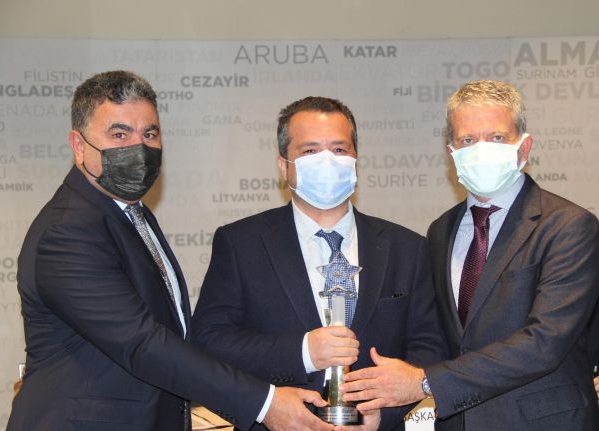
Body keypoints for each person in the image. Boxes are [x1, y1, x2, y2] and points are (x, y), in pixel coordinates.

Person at [7, 71, 333, 431]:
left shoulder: (130, 213)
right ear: (79, 145)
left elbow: (173, 334)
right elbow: (143, 343)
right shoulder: (68, 232)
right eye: (119, 134)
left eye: (150, 134)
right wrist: (264, 403)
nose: (139, 148)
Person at [341, 80, 599, 431]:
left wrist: (424, 382)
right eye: (468, 140)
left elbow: (545, 342)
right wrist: (384, 402)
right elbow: (438, 336)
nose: (481, 150)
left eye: (496, 137)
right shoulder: (441, 231)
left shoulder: (567, 226)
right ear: (452, 153)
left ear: (524, 147)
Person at [191, 96, 447, 431]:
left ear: (355, 160)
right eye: (310, 151)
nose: (327, 161)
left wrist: (382, 414)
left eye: (339, 149)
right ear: (284, 166)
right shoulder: (241, 243)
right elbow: (209, 341)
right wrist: (302, 352)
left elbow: (430, 347)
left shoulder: (407, 247)